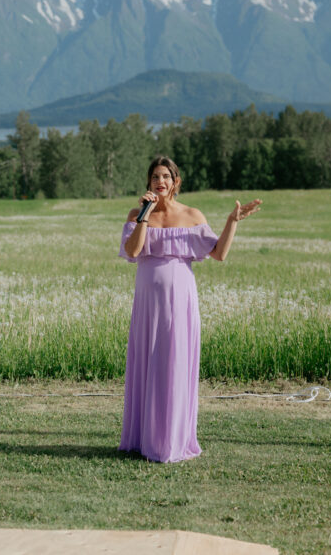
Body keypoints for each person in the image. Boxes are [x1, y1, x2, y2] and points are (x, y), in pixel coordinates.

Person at [118, 156, 261, 462]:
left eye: (166, 177)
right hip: (147, 305)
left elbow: (219, 253)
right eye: (155, 177)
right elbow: (133, 251)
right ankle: (143, 440)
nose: (160, 182)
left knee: (173, 364)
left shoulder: (192, 215)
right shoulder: (136, 213)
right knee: (147, 363)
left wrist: (232, 222)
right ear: (148, 182)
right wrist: (144, 215)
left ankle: (171, 441)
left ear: (176, 182)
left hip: (179, 303)